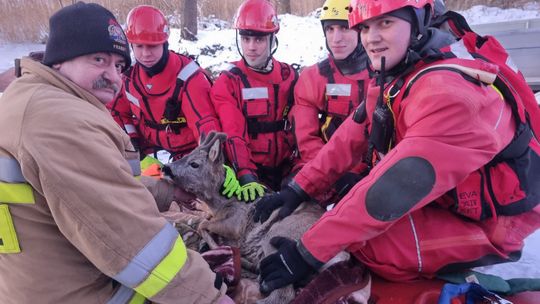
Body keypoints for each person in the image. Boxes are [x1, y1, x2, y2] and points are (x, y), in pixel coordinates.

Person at [255, 0, 540, 295]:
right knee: (347, 220)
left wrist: (306, 253)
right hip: (447, 195)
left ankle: (482, 289)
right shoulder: (408, 69)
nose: (371, 38)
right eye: (365, 27)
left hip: (498, 223)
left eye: (386, 23)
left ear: (418, 22)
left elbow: (393, 189)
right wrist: (299, 188)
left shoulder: (450, 94)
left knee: (366, 246)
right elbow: (354, 132)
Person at [0, 2, 233, 303]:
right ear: (59, 59)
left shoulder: (33, 98)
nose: (112, 75)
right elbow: (135, 243)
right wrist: (212, 297)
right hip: (86, 292)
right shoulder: (59, 123)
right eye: (98, 59)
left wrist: (165, 191)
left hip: (46, 277)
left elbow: (90, 186)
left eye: (118, 65)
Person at [275, 0, 370, 212]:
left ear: (361, 30)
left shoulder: (383, 75)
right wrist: (334, 174)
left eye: (344, 28)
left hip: (369, 169)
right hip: (319, 165)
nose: (336, 38)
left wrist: (359, 173)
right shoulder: (313, 78)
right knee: (293, 205)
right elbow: (306, 140)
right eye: (330, 29)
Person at [210, 0, 298, 202]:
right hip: (252, 173)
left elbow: (303, 128)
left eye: (258, 40)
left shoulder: (289, 76)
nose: (251, 47)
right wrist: (246, 175)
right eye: (246, 38)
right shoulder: (229, 82)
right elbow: (234, 132)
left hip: (288, 171)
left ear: (272, 38)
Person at [108, 5, 220, 161]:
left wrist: (206, 160)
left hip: (187, 156)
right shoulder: (128, 79)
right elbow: (116, 113)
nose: (146, 53)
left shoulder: (190, 78)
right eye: (139, 46)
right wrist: (131, 141)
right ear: (131, 45)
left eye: (152, 46)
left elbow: (205, 124)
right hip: (146, 154)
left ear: (164, 43)